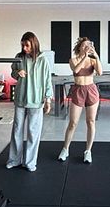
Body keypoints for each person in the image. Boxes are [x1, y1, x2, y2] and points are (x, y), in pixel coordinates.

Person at [6, 32, 53, 172]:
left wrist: (48, 99)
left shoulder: (43, 60)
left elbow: (47, 80)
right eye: (22, 45)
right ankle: (14, 160)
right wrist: (17, 73)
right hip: (20, 99)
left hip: (36, 101)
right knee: (17, 131)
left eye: (27, 45)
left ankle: (30, 162)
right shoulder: (18, 57)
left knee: (33, 132)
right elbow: (13, 73)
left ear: (34, 43)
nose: (24, 48)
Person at [58, 37, 103, 164]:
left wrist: (96, 56)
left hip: (91, 90)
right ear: (79, 48)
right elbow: (76, 70)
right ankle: (65, 149)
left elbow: (100, 72)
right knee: (73, 122)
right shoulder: (73, 60)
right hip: (78, 90)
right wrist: (84, 57)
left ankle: (88, 151)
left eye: (88, 45)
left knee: (91, 122)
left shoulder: (93, 60)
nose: (86, 47)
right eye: (84, 45)